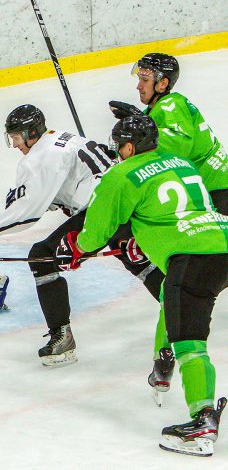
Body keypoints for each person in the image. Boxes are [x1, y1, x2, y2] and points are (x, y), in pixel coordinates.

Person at [56, 115, 227, 456]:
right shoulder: (179, 162)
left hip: (192, 257)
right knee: (169, 296)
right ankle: (163, 360)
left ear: (129, 146)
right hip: (222, 239)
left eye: (120, 147)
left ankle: (202, 420)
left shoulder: (120, 174)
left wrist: (74, 248)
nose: (118, 153)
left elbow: (97, 233)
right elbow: (179, 210)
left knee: (191, 343)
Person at [0, 104, 157, 367]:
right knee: (137, 261)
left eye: (16, 138)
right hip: (125, 201)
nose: (15, 144)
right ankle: (185, 315)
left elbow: (28, 212)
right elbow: (61, 187)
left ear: (30, 133)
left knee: (41, 257)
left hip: (100, 210)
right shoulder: (62, 138)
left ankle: (61, 338)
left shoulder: (41, 157)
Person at [109, 52, 228, 399]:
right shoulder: (161, 109)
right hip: (210, 191)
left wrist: (138, 125)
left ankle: (165, 355)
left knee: (180, 283)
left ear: (163, 83)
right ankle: (164, 354)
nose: (138, 84)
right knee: (176, 285)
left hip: (216, 193)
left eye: (145, 78)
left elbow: (177, 150)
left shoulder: (170, 106)